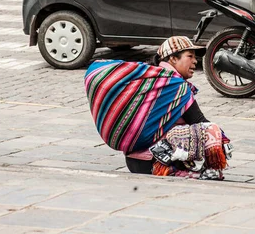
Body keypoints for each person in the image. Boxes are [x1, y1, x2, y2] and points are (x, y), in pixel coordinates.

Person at [84, 36, 231, 178]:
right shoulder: (176, 86)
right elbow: (199, 120)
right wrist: (222, 140)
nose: (195, 61)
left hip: (133, 162)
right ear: (173, 58)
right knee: (209, 131)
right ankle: (182, 170)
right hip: (155, 163)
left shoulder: (152, 81)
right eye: (190, 56)